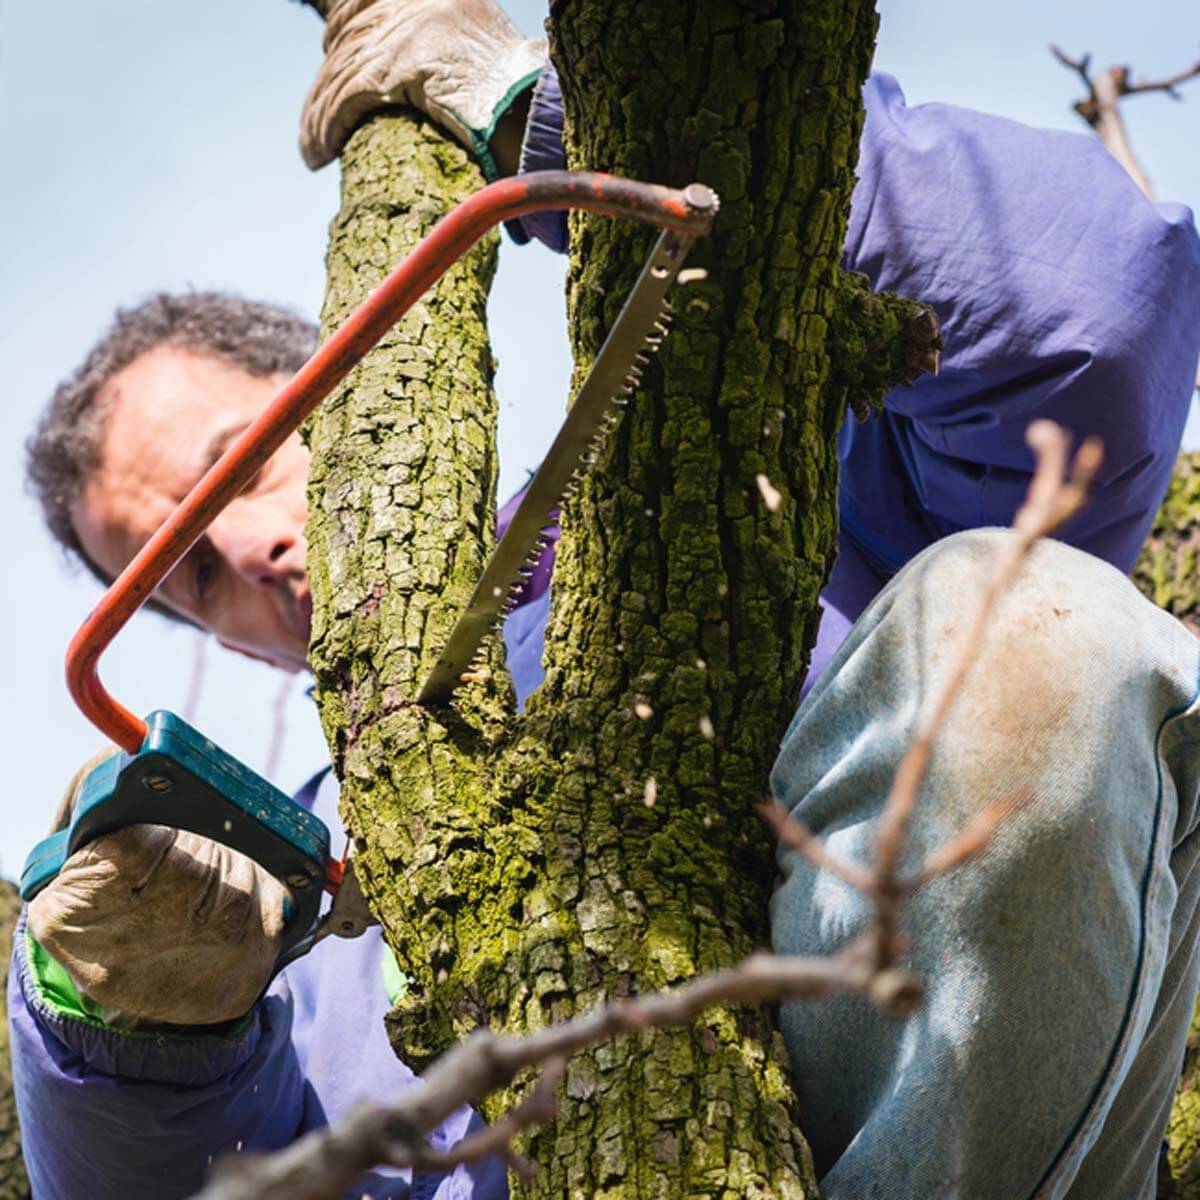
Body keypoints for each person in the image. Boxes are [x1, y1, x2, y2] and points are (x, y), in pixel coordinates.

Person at [11, 2, 1200, 1197]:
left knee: (1045, 618)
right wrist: (134, 1046)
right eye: (192, 574)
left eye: (246, 460)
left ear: (358, 387)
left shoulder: (790, 487)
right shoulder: (274, 907)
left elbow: (1093, 308)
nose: (253, 545)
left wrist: (554, 127)